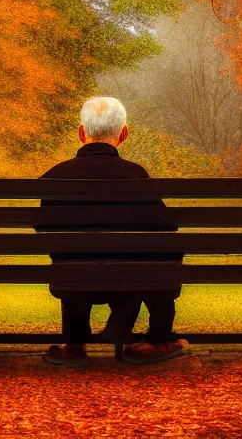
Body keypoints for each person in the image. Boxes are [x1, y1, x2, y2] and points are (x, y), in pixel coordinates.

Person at [35, 96, 189, 366]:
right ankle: (158, 339)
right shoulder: (135, 175)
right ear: (124, 133)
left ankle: (73, 345)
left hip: (72, 279)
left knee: (70, 256)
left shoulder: (54, 177)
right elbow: (165, 226)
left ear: (82, 133)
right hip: (128, 280)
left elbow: (46, 229)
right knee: (166, 252)